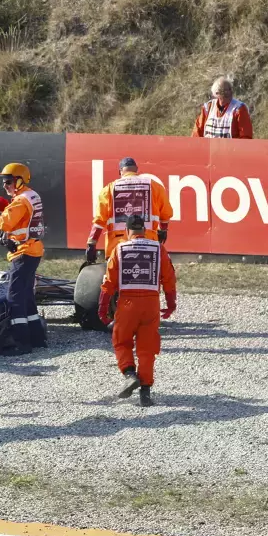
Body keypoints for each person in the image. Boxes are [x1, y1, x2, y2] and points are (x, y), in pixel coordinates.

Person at [98, 214, 177, 407]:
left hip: (127, 303)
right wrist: (171, 303)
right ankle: (146, 391)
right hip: (151, 304)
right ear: (144, 230)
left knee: (121, 341)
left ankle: (129, 374)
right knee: (147, 349)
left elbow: (108, 283)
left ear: (126, 231)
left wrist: (102, 308)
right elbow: (169, 278)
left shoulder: (119, 249)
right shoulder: (159, 248)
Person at [0, 163, 47, 354]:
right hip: (32, 250)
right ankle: (37, 338)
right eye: (4, 182)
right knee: (26, 295)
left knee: (14, 296)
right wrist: (5, 204)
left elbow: (5, 223)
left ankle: (21, 344)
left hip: (23, 252)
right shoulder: (30, 195)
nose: (5, 186)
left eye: (8, 182)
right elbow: (22, 217)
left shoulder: (19, 201)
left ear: (20, 180)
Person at [86, 157, 173, 264]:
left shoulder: (109, 189)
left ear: (120, 171)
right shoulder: (155, 186)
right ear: (136, 170)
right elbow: (165, 214)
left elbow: (99, 221)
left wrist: (91, 243)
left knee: (114, 279)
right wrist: (163, 230)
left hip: (116, 248)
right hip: (148, 244)